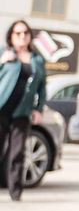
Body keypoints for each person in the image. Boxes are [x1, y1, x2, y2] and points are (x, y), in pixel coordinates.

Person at [0, 20, 47, 201]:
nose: (22, 36)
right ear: (11, 36)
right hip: (1, 110)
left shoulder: (37, 59)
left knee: (17, 153)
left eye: (25, 33)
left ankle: (16, 192)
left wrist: (38, 109)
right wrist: (2, 61)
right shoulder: (4, 53)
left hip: (21, 113)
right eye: (18, 33)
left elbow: (42, 88)